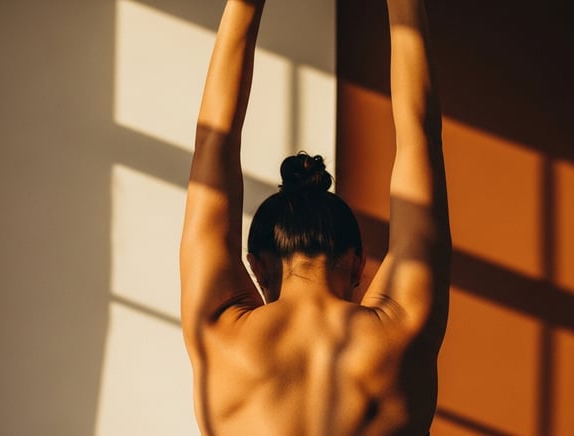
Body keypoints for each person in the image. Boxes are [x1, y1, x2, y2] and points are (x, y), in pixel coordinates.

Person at [179, 0, 450, 434]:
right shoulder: (402, 329)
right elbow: (421, 138)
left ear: (258, 267)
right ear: (359, 263)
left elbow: (215, 143)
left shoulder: (221, 332)